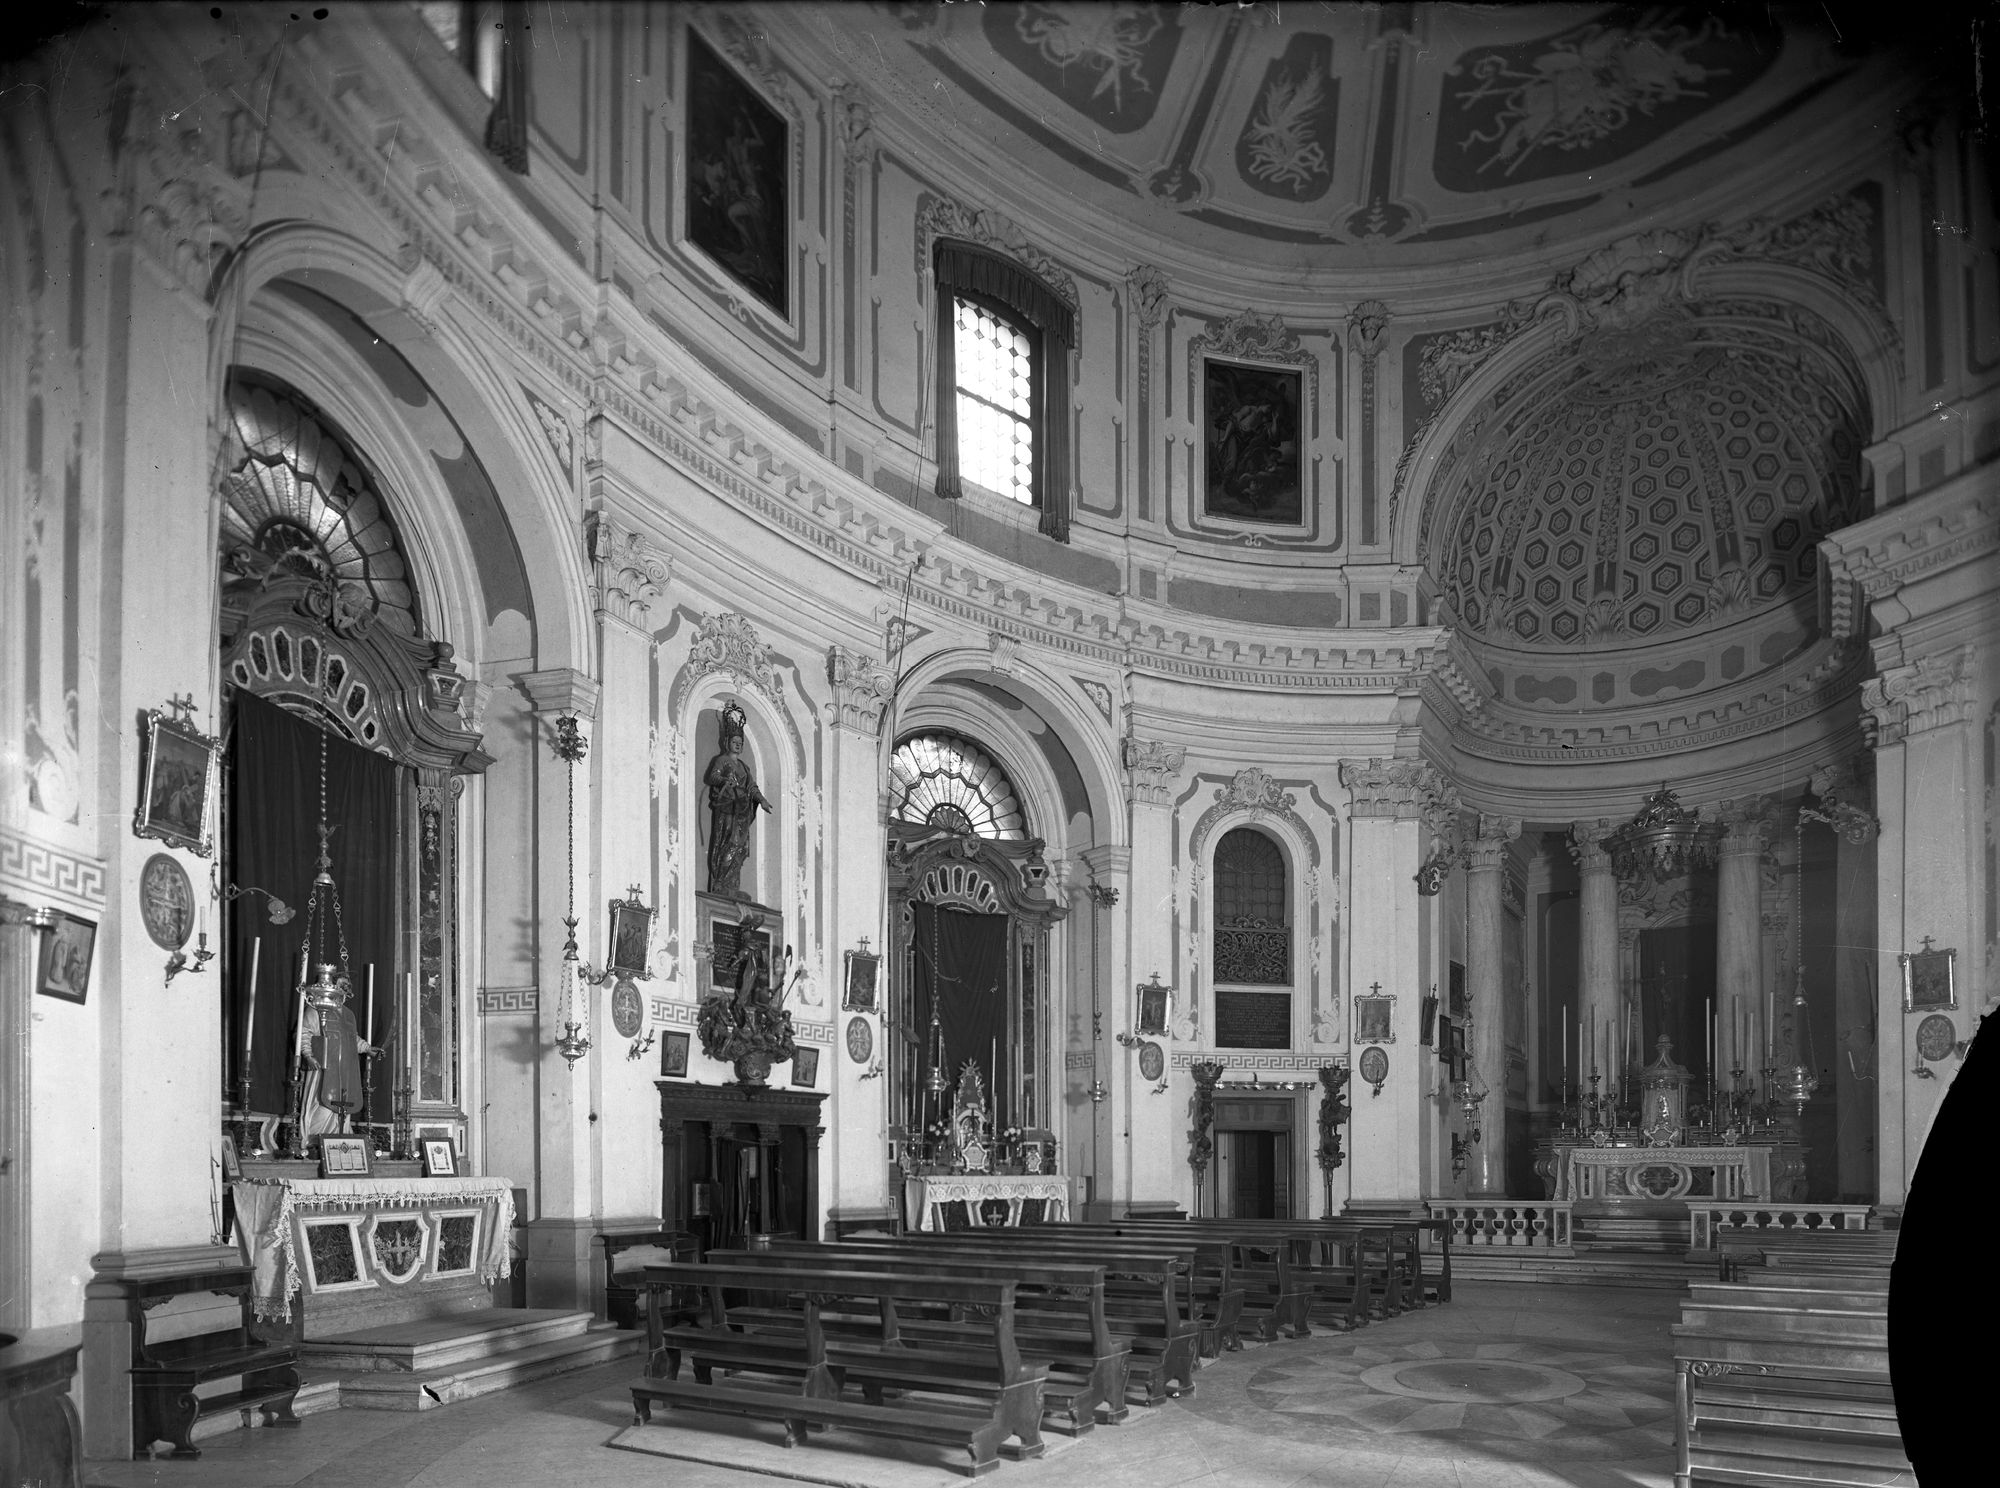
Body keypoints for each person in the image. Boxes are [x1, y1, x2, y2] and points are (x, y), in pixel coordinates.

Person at [703, 702, 771, 898]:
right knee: (727, 843)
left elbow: (752, 787)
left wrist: (762, 800)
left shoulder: (743, 766)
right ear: (727, 743)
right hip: (726, 808)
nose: (738, 745)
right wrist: (725, 780)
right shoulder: (722, 761)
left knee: (739, 848)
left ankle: (732, 884)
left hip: (742, 810)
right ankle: (720, 883)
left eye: (740, 742)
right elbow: (712, 777)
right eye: (735, 742)